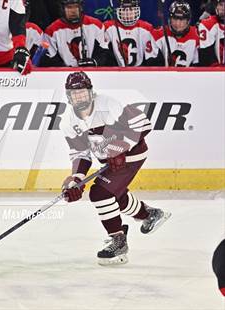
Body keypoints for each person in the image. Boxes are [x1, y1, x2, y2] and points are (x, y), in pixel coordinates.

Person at [60, 71, 171, 266]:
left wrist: (122, 147)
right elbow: (81, 154)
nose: (80, 97)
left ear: (91, 92)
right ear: (68, 97)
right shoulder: (68, 122)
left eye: (83, 92)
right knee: (114, 196)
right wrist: (76, 179)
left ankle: (118, 241)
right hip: (111, 160)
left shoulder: (108, 104)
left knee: (100, 193)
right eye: (75, 94)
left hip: (132, 155)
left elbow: (143, 124)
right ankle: (149, 214)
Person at [40, 0, 109, 67]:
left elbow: (104, 52)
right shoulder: (51, 31)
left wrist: (94, 62)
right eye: (69, 7)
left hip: (93, 73)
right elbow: (50, 59)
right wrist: (65, 69)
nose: (73, 11)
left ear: (81, 8)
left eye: (76, 7)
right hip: (63, 75)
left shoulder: (96, 25)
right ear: (62, 9)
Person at [104, 0, 159, 67]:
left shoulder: (146, 28)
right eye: (124, 10)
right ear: (118, 10)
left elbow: (152, 59)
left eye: (131, 9)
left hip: (140, 72)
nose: (128, 14)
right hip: (118, 72)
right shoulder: (109, 27)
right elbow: (105, 54)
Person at [152, 1, 199, 67]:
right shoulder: (158, 34)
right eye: (174, 18)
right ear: (170, 19)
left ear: (188, 21)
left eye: (182, 20)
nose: (177, 24)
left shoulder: (197, 35)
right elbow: (153, 65)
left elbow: (199, 66)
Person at [199, 0, 224, 66]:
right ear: (216, 6)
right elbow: (206, 55)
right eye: (221, 5)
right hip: (215, 72)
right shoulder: (207, 25)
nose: (223, 9)